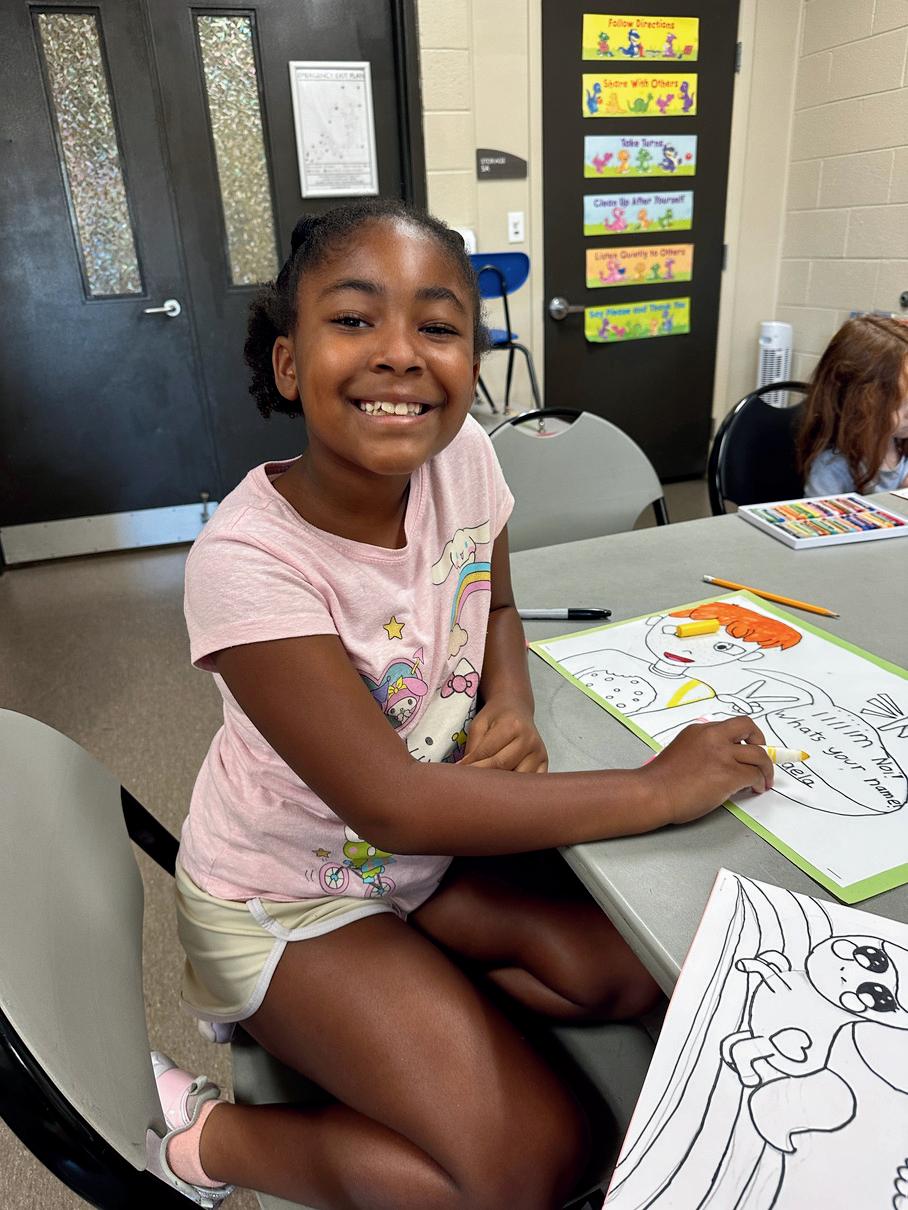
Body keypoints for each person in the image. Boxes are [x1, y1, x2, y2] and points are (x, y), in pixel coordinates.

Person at [147, 199, 774, 1210]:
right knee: (536, 1166)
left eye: (437, 325)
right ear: (288, 363)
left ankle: (417, 1000)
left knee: (631, 973)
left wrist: (510, 701)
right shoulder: (246, 562)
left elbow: (501, 607)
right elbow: (393, 804)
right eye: (354, 319)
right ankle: (208, 1139)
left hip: (422, 863)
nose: (401, 353)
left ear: (470, 360)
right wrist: (658, 788)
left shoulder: (467, 459)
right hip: (288, 896)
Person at [799, 315, 908, 497]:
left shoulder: (899, 443)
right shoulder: (833, 468)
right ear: (858, 404)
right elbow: (821, 515)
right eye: (900, 405)